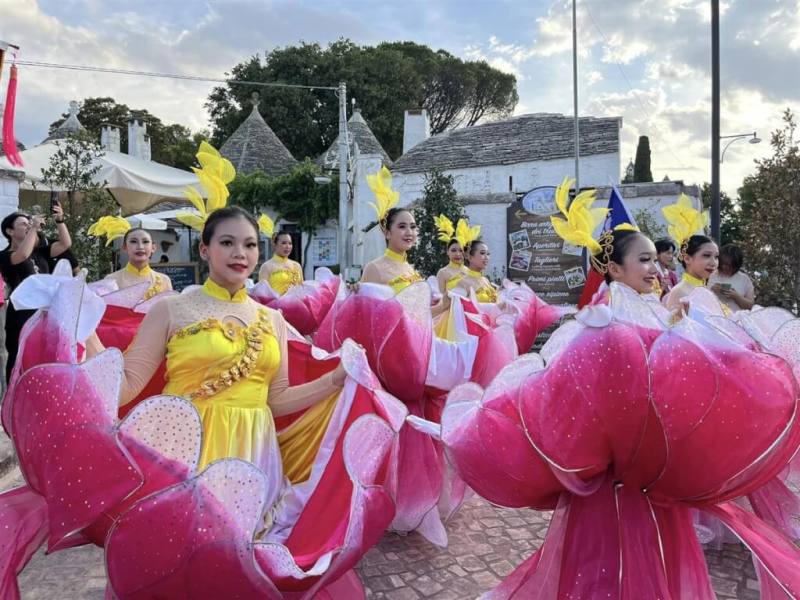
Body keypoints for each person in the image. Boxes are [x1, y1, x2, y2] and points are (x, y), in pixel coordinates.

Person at [411, 183, 800, 597]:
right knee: (608, 570)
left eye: (655, 259)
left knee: (654, 563)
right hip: (615, 480)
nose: (655, 268)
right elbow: (582, 391)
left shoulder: (653, 305)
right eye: (645, 260)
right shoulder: (604, 318)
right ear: (614, 269)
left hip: (653, 474)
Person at [0, 204, 72, 380]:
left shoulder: (40, 252)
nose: (29, 224)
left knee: (46, 355)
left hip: (47, 311)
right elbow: (22, 255)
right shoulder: (4, 255)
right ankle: (14, 397)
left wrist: (59, 220)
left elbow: (65, 243)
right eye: (23, 223)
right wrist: (33, 227)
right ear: (10, 231)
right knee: (19, 355)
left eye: (29, 222)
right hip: (21, 313)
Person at [100, 226, 173, 299]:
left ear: (153, 248)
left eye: (145, 242)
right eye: (133, 241)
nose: (140, 247)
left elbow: (169, 309)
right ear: (125, 247)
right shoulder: (111, 280)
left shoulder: (164, 280)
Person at [709, 243, 755, 312]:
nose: (724, 267)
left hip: (736, 319)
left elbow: (750, 306)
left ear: (736, 265)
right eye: (722, 263)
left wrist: (736, 296)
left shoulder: (744, 279)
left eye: (729, 265)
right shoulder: (711, 274)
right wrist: (712, 290)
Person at [258, 230, 303, 296]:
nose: (288, 246)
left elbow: (302, 290)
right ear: (275, 244)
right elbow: (262, 294)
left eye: (290, 243)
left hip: (297, 304)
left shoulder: (297, 265)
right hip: (274, 305)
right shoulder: (266, 266)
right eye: (284, 243)